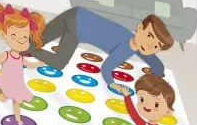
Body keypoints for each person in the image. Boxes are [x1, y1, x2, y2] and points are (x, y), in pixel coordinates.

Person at [26, 8, 173, 92]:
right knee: (58, 62)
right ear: (140, 27)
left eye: (155, 46)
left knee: (37, 42)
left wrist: (158, 76)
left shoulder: (136, 43)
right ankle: (24, 46)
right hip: (75, 26)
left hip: (76, 14)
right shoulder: (126, 48)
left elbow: (154, 62)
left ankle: (23, 45)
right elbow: (106, 68)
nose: (149, 45)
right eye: (149, 36)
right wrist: (113, 84)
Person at [0, 2, 44, 125]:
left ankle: (18, 118)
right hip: (8, 81)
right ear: (3, 34)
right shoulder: (6, 55)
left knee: (17, 102)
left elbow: (29, 65)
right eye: (14, 35)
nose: (21, 40)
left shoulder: (20, 58)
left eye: (25, 37)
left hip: (18, 83)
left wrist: (38, 64)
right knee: (4, 99)